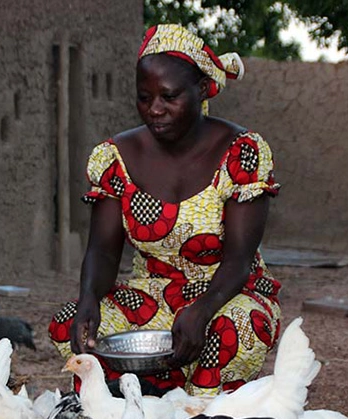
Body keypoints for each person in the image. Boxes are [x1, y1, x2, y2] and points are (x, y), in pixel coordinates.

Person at [49, 24, 281, 397]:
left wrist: (203, 309)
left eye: (169, 97)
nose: (154, 109)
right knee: (71, 326)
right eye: (144, 97)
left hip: (228, 293)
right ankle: (132, 414)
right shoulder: (115, 159)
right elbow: (104, 250)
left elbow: (239, 260)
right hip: (151, 296)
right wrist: (89, 297)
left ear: (202, 90)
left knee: (232, 331)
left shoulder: (241, 153)